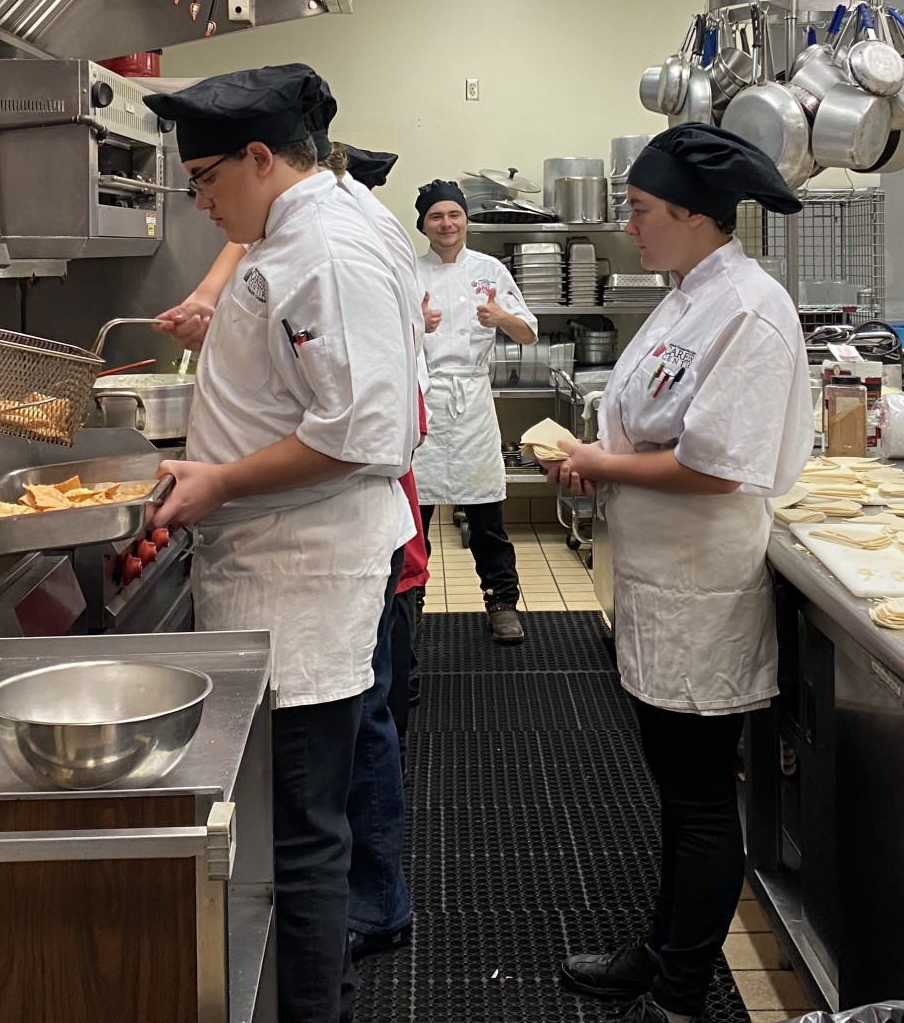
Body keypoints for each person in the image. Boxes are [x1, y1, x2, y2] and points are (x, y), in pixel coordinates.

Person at [143, 66, 417, 1023]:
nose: (201, 200)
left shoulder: (323, 254)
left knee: (304, 841)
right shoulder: (300, 227)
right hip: (285, 569)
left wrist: (215, 480)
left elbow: (361, 431)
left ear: (263, 158)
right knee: (301, 829)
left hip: (300, 583)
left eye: (206, 178)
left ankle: (315, 1009)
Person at [547, 124, 808, 1023]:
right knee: (673, 789)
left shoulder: (750, 307)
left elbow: (715, 464)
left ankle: (681, 992)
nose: (632, 227)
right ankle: (660, 949)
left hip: (704, 586)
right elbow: (652, 419)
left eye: (643, 211)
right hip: (661, 580)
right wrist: (599, 456)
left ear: (696, 215)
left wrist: (600, 462)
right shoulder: (687, 294)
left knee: (700, 801)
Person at [411, 180, 538, 645]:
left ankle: (502, 602)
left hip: (472, 400)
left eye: (454, 215)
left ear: (466, 220)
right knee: (416, 515)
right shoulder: (408, 270)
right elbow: (382, 337)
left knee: (487, 514)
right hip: (423, 398)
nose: (446, 224)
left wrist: (500, 318)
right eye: (436, 217)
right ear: (423, 224)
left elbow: (527, 335)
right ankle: (413, 603)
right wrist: (415, 325)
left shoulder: (490, 270)